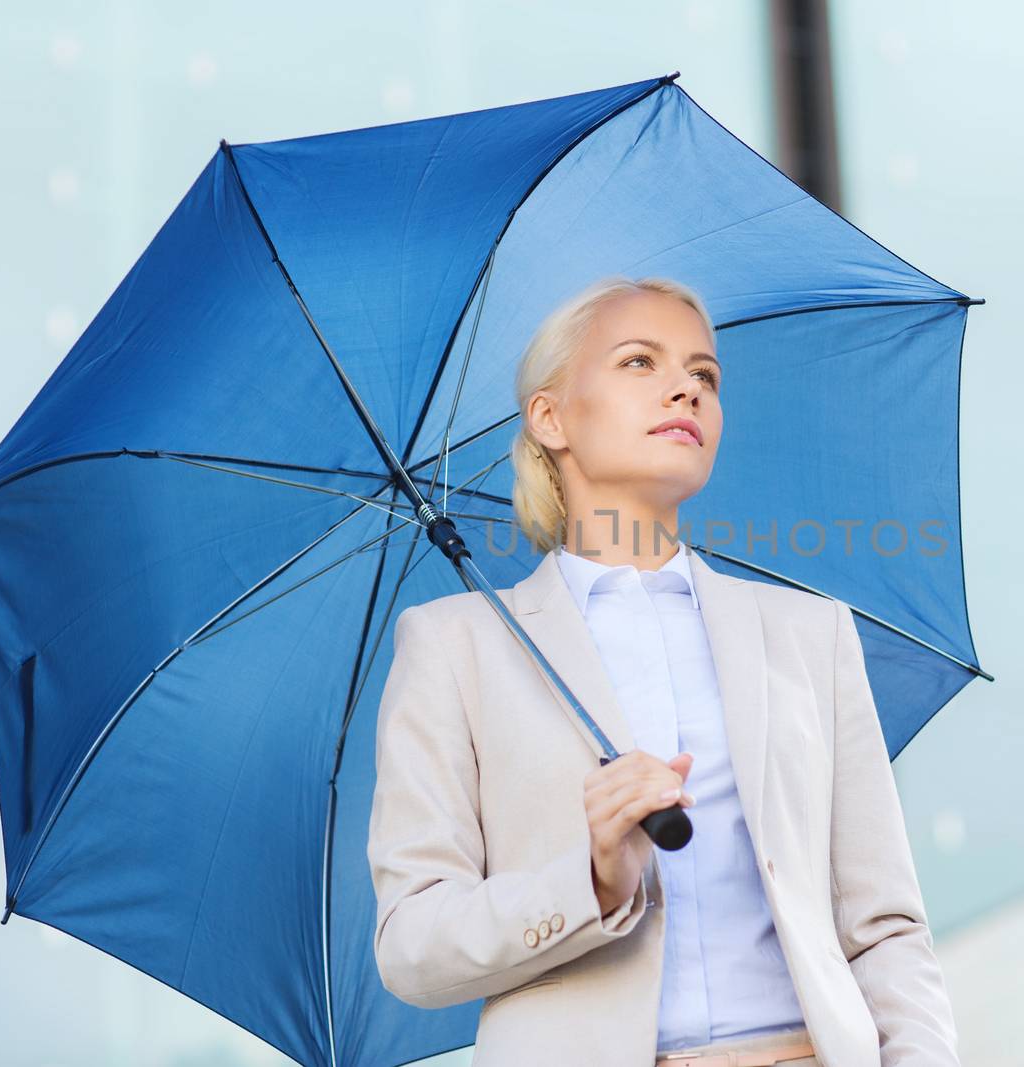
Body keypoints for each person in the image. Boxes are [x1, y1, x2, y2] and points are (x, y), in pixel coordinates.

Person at [367, 276, 961, 1066]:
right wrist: (591, 877)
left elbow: (883, 924)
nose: (686, 387)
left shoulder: (809, 633)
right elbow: (413, 943)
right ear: (550, 417)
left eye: (705, 375)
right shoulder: (456, 644)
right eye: (639, 362)